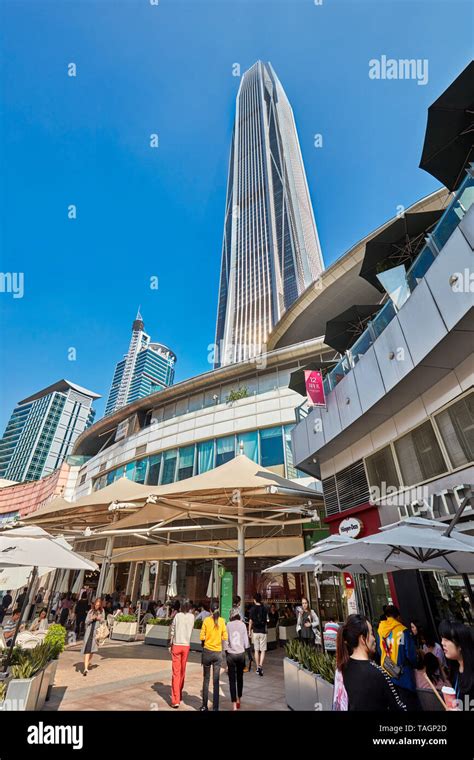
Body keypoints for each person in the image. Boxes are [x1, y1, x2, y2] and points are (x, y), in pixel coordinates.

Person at [336, 614, 406, 711]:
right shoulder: (377, 674)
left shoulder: (343, 667)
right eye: (372, 633)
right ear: (362, 639)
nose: (374, 638)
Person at [376, 604, 419, 710]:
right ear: (398, 617)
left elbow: (379, 650)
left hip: (387, 669)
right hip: (403, 674)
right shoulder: (402, 631)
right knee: (409, 703)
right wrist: (417, 664)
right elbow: (410, 654)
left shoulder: (381, 630)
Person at [199, 602, 228, 712]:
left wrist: (205, 643)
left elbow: (201, 636)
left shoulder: (206, 620)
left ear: (210, 610)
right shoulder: (222, 621)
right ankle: (215, 707)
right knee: (216, 681)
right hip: (217, 653)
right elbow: (225, 636)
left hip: (207, 652)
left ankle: (204, 706)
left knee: (206, 680)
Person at [439, 619, 474, 708]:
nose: (442, 643)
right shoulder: (456, 669)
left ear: (460, 645)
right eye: (442, 638)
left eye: (446, 639)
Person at [168, 601, 195, 708]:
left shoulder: (177, 616)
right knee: (182, 670)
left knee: (176, 672)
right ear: (189, 607)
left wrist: (170, 643)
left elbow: (172, 630)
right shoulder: (192, 617)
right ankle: (179, 692)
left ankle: (175, 699)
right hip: (186, 645)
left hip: (176, 644)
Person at [224, 607, 249, 710]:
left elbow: (225, 641)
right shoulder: (243, 625)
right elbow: (246, 642)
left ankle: (234, 705)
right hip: (241, 654)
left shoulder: (228, 625)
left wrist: (226, 652)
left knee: (231, 680)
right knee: (240, 678)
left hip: (231, 654)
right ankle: (239, 699)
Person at [81, 598, 105, 676]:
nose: (97, 606)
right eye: (96, 604)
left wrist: (99, 618)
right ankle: (85, 668)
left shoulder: (102, 611)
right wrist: (91, 618)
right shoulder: (90, 611)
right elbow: (86, 621)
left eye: (98, 604)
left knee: (92, 651)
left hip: (96, 633)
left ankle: (87, 663)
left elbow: (103, 621)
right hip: (89, 633)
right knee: (87, 650)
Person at [248, 592, 268, 677]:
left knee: (256, 650)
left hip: (255, 631)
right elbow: (267, 620)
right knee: (262, 650)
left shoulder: (252, 609)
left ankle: (257, 668)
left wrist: (249, 631)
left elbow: (250, 621)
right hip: (263, 631)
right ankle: (260, 666)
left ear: (254, 599)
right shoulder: (265, 608)